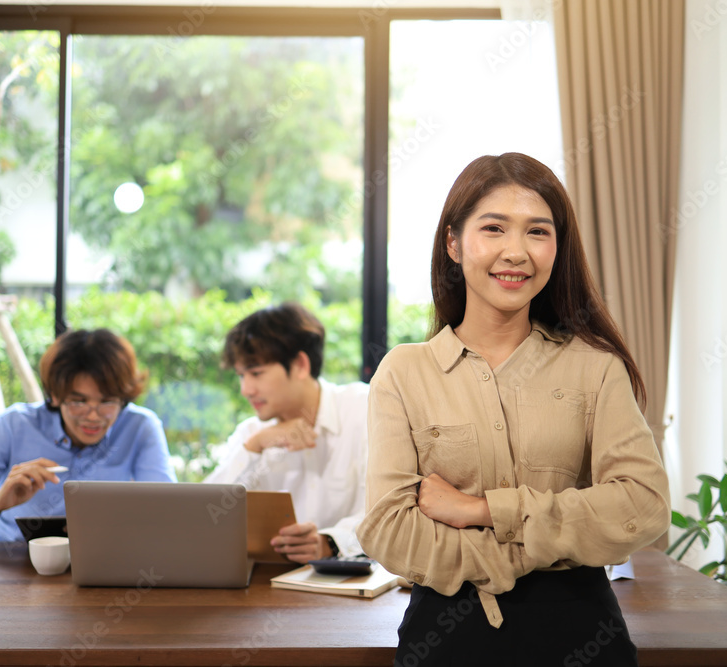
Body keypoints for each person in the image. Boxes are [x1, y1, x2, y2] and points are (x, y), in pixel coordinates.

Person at [356, 153, 670, 665]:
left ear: (557, 248)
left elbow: (644, 507)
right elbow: (388, 531)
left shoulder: (596, 368)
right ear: (454, 244)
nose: (516, 252)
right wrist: (540, 546)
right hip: (447, 637)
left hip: (581, 633)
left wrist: (479, 510)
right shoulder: (405, 372)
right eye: (494, 228)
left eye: (538, 232)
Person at [0, 328, 176, 542]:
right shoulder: (15, 426)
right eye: (79, 401)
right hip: (14, 572)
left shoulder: (140, 427)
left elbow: (170, 517)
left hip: (105, 568)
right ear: (55, 396)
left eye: (108, 401)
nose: (93, 416)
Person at [205, 303, 369, 563]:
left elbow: (387, 509)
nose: (246, 389)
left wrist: (330, 542)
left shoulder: (363, 408)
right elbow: (205, 519)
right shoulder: (251, 434)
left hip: (355, 583)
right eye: (241, 375)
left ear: (301, 365)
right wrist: (257, 445)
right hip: (269, 586)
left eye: (256, 373)